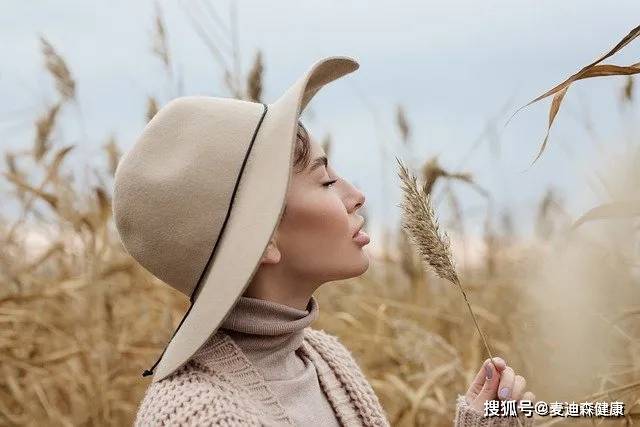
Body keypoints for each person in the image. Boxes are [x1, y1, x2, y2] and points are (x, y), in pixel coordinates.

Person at [114, 56, 536, 426]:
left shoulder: (324, 359)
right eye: (326, 181)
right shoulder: (197, 414)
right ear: (263, 237)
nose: (356, 196)